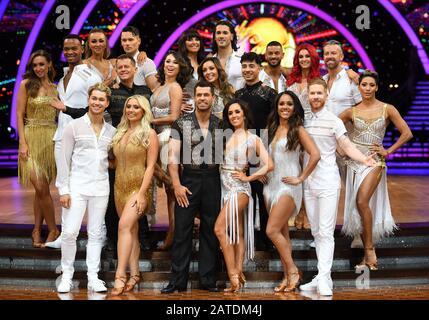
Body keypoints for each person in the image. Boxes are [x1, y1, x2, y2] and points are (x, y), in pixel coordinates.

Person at [51, 54, 153, 253]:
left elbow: (153, 113)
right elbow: (91, 110)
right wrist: (68, 109)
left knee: (140, 198)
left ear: (134, 69)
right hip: (114, 147)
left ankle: (142, 240)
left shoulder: (144, 91)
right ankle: (114, 242)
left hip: (139, 150)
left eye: (127, 67)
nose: (123, 70)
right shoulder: (112, 94)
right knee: (115, 202)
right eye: (120, 67)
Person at [299, 79, 376, 296]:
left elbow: (346, 145)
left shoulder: (334, 121)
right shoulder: (302, 120)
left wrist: (364, 160)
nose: (315, 97)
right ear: (307, 95)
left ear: (326, 95)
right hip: (309, 182)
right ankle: (321, 276)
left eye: (319, 93)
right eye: (312, 93)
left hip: (328, 181)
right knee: (316, 231)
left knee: (325, 231)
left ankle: (324, 278)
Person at [339, 70, 412, 270]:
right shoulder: (351, 111)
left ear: (377, 87)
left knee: (362, 201)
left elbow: (406, 133)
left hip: (375, 162)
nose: (368, 88)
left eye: (372, 85)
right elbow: (334, 130)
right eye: (364, 85)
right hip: (355, 162)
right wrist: (343, 150)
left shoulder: (387, 109)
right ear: (359, 87)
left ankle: (370, 249)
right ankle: (367, 255)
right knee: (359, 207)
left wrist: (388, 151)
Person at [161, 80, 222, 293]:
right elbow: (172, 156)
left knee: (210, 231)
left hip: (214, 180)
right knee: (182, 231)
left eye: (207, 95)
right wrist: (176, 185)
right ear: (194, 98)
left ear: (213, 99)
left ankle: (207, 280)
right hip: (189, 180)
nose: (203, 98)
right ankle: (177, 281)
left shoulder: (221, 124)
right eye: (200, 95)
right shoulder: (181, 123)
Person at [56, 83, 116, 293]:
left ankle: (93, 277)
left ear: (107, 103)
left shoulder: (112, 131)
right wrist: (63, 189)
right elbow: (63, 159)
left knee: (96, 233)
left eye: (101, 99)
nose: (97, 102)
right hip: (77, 186)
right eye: (94, 98)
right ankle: (66, 276)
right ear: (88, 100)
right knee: (70, 232)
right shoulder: (74, 126)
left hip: (101, 187)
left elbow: (112, 159)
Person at [44, 34, 102, 249]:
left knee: (87, 184)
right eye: (66, 48)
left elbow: (96, 104)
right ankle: (66, 235)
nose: (69, 52)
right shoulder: (64, 74)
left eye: (74, 48)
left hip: (82, 135)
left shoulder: (89, 73)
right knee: (64, 184)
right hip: (62, 134)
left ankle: (98, 234)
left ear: (82, 49)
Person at [264, 91, 320, 292]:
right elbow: (263, 156)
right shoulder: (271, 128)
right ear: (277, 107)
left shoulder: (298, 129)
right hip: (270, 185)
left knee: (271, 230)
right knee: (282, 233)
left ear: (295, 107)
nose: (285, 107)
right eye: (281, 104)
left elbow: (315, 155)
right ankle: (288, 276)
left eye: (289, 104)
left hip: (289, 184)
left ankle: (293, 271)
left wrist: (301, 178)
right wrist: (261, 172)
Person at [215, 99, 273, 292]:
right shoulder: (224, 136)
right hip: (224, 188)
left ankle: (232, 275)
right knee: (237, 232)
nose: (234, 116)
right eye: (230, 113)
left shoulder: (252, 139)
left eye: (237, 112)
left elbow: (269, 164)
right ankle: (239, 272)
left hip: (240, 190)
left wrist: (249, 177)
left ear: (245, 114)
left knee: (219, 229)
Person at [110, 95, 158, 295]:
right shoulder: (119, 132)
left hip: (138, 187)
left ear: (143, 111)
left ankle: (120, 275)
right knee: (131, 231)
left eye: (135, 107)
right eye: (128, 106)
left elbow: (150, 167)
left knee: (123, 226)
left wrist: (141, 194)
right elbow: (115, 162)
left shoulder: (150, 133)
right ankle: (135, 273)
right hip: (119, 186)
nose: (130, 110)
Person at [16, 50, 60, 248]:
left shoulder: (55, 88)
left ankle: (36, 228)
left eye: (42, 64)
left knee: (40, 190)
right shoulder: (26, 85)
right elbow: (19, 114)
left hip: (50, 139)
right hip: (31, 137)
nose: (38, 68)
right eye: (35, 65)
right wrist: (22, 143)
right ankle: (53, 229)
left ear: (49, 64)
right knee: (40, 187)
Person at [235, 52, 277, 251]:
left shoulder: (270, 94)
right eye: (244, 66)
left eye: (251, 66)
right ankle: (247, 236)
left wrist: (263, 157)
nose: (247, 70)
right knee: (246, 194)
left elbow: (275, 125)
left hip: (263, 153)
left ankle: (267, 239)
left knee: (264, 195)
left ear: (259, 68)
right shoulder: (238, 96)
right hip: (242, 154)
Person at [151, 51, 192, 250]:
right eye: (167, 61)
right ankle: (173, 232)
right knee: (169, 191)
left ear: (180, 67)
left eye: (175, 62)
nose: (170, 65)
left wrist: (149, 121)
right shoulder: (160, 86)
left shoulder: (175, 87)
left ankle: (174, 234)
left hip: (168, 137)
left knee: (172, 189)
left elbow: (175, 117)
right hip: (157, 138)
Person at [120, 26, 158, 91]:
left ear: (139, 41)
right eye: (124, 40)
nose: (127, 43)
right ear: (121, 43)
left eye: (130, 40)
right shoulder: (118, 63)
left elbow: (154, 90)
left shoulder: (147, 63)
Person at [177, 29, 206, 112]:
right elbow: (167, 85)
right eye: (190, 40)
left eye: (197, 39)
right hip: (187, 110)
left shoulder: (204, 63)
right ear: (184, 43)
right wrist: (177, 103)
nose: (194, 42)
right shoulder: (178, 63)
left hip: (205, 109)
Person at [211, 20, 244, 90]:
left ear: (232, 36)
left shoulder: (242, 59)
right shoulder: (209, 62)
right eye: (218, 33)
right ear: (214, 37)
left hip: (239, 100)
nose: (221, 36)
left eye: (225, 33)